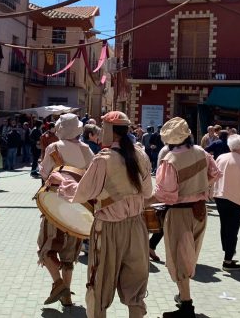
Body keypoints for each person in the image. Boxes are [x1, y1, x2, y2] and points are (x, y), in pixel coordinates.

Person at [71, 111, 153, 318]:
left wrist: (64, 184)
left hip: (107, 228)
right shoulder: (140, 154)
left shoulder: (103, 159)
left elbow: (82, 193)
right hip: (136, 226)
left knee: (99, 282)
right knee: (135, 285)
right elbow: (148, 192)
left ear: (109, 130)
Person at [148, 117, 219, 317]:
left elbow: (164, 195)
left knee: (179, 259)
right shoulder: (202, 152)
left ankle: (187, 306)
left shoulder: (170, 160)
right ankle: (183, 298)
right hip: (200, 211)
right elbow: (215, 173)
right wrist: (200, 187)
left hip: (179, 213)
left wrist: (142, 201)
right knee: (190, 257)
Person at [36, 113, 95, 307]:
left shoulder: (54, 147)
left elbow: (45, 173)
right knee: (69, 253)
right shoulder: (87, 150)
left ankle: (58, 283)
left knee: (46, 247)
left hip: (56, 203)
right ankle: (66, 295)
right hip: (79, 207)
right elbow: (91, 177)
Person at [212, 134, 240, 270]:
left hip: (220, 196)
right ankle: (228, 259)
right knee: (232, 229)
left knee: (224, 226)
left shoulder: (221, 158)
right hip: (236, 200)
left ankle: (227, 252)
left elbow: (214, 176)